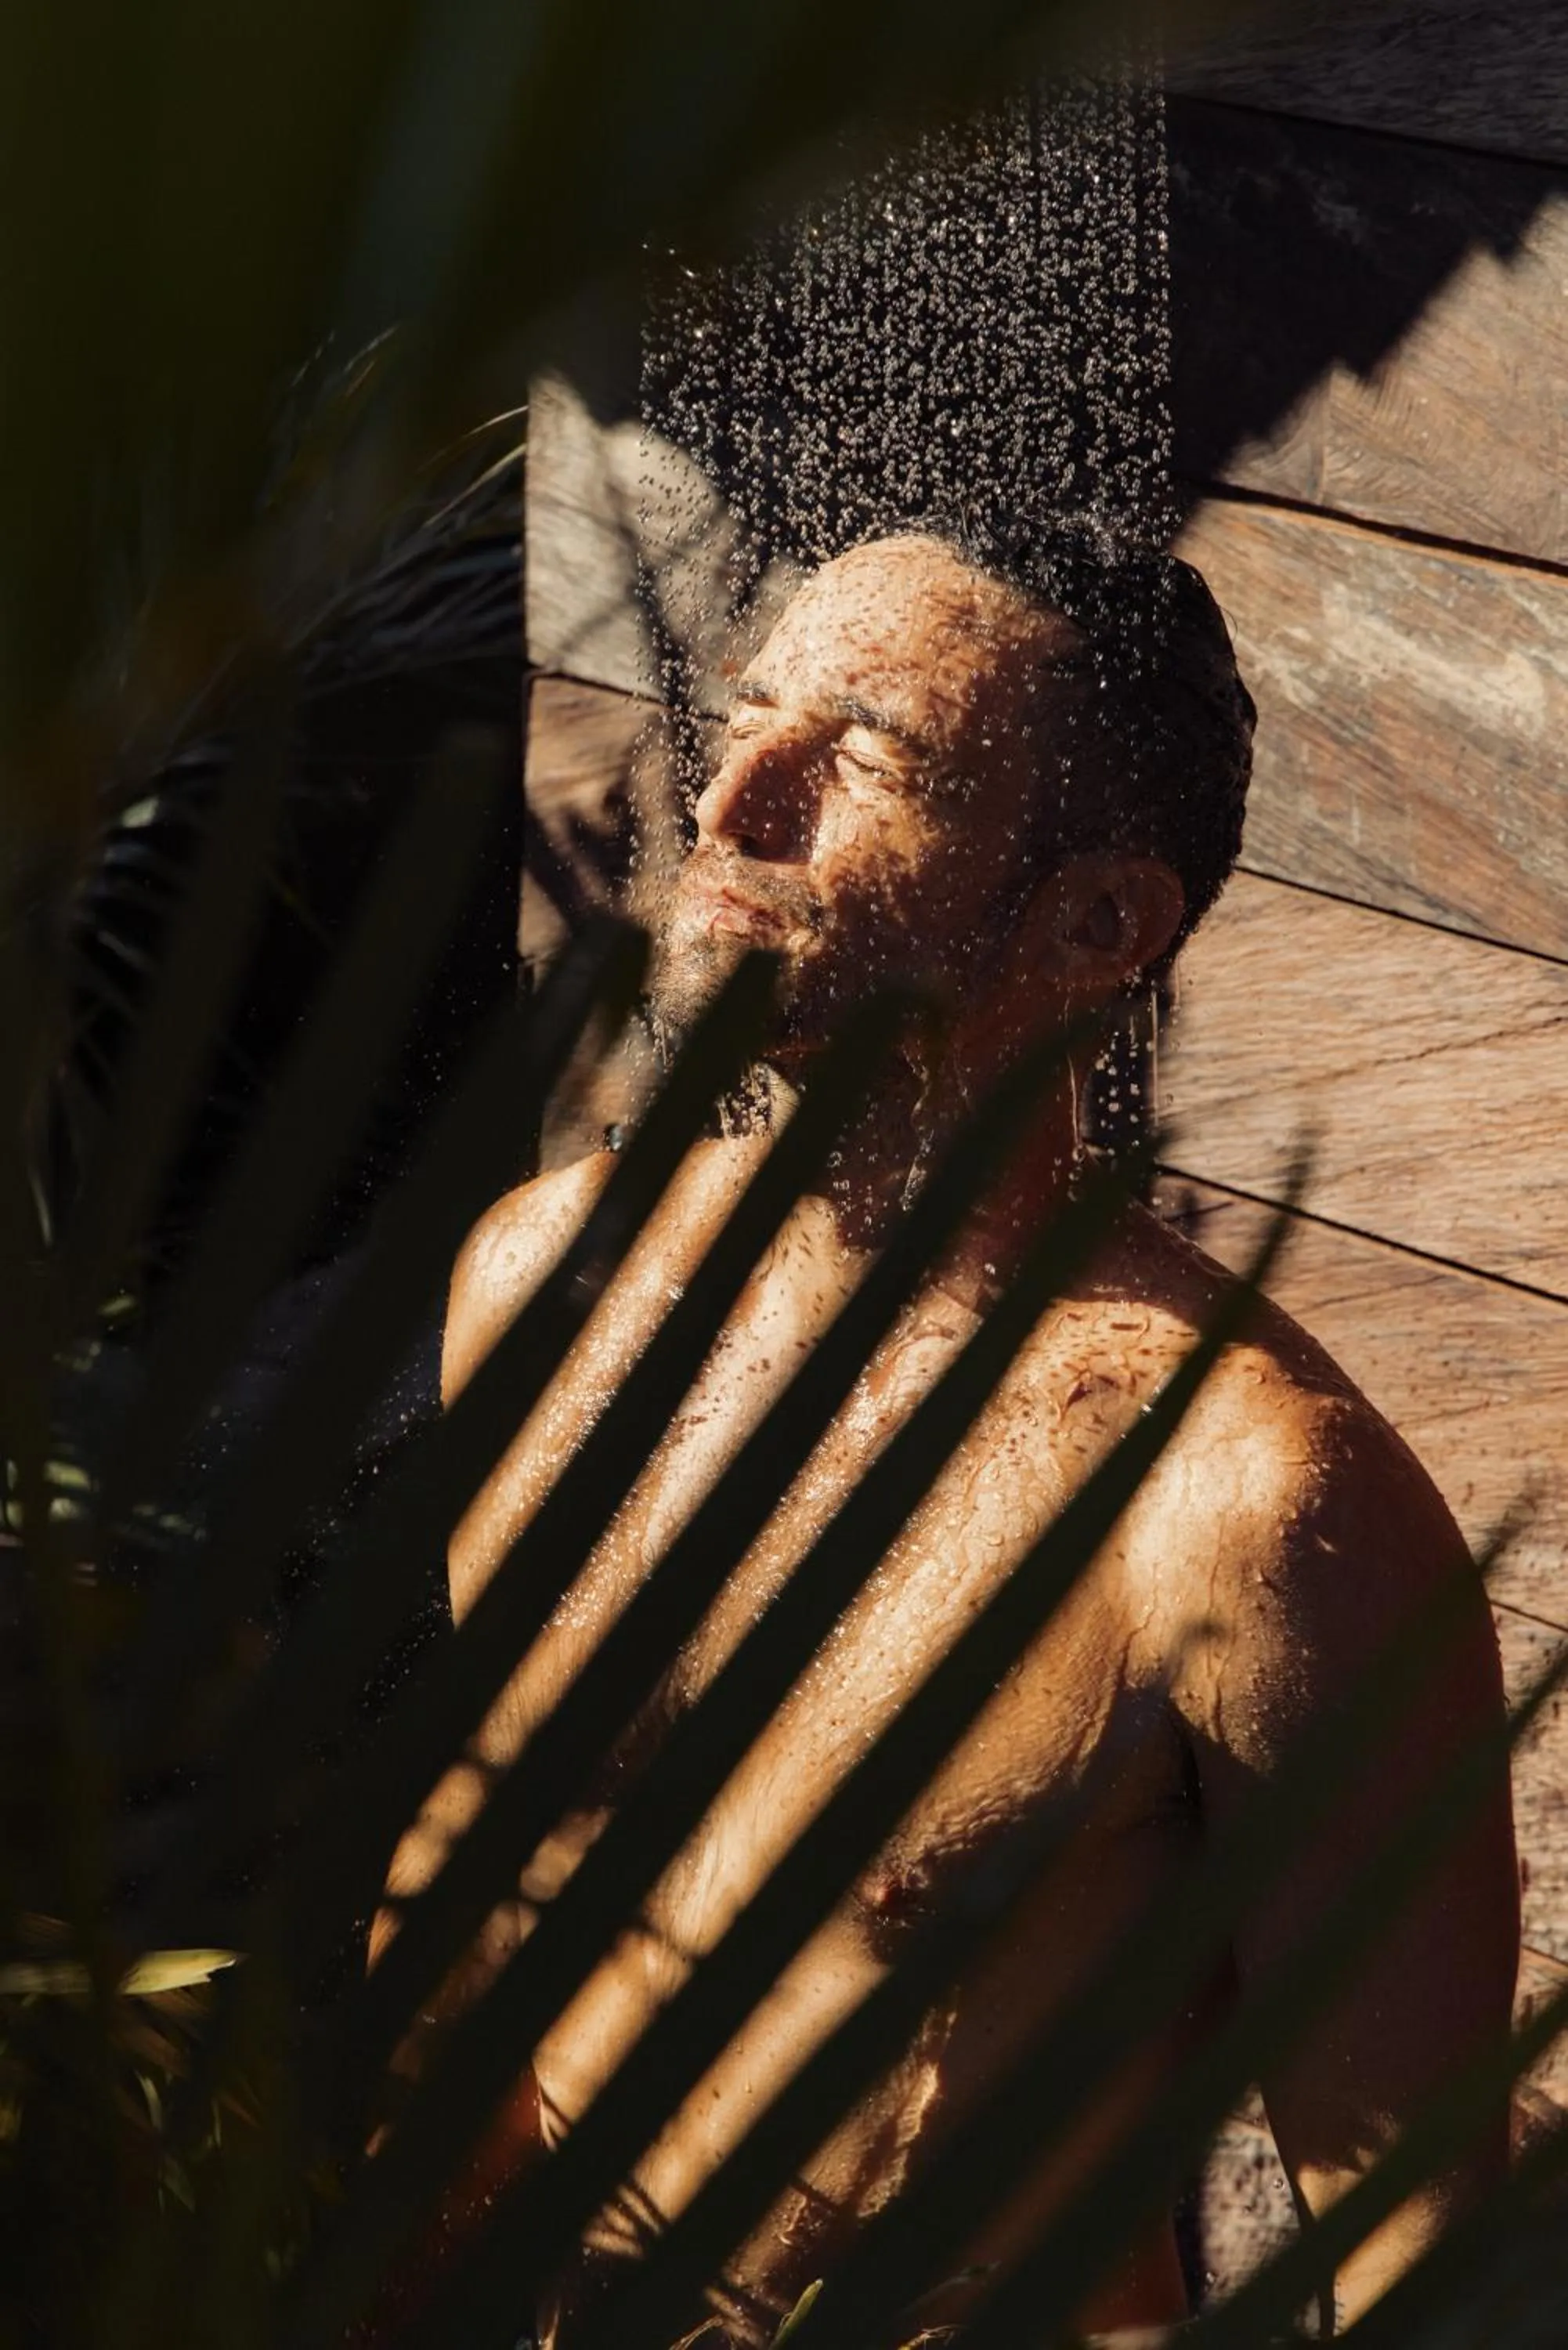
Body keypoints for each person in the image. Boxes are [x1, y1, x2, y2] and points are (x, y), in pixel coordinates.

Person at [371, 530, 1519, 2343]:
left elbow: (1418, 2248)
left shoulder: (1238, 1506)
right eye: (746, 718)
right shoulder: (543, 1282)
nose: (733, 802)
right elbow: (476, 1896)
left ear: (1095, 927)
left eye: (865, 759)